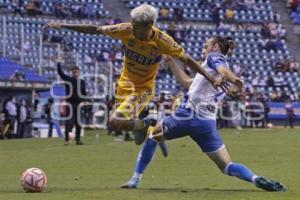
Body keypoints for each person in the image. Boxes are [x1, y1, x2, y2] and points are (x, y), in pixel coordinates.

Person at [43, 4, 226, 147]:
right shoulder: (126, 30)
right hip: (124, 85)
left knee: (116, 120)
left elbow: (188, 60)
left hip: (143, 89)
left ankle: (144, 124)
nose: (132, 27)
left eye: (136, 25)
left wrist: (211, 78)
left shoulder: (162, 41)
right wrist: (64, 25)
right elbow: (96, 29)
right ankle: (144, 124)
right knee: (114, 125)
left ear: (148, 25)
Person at [121, 37, 287, 192]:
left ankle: (135, 179)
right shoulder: (210, 72)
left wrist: (236, 79)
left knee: (152, 136)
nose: (203, 49)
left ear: (214, 47)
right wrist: (171, 62)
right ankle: (255, 179)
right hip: (206, 124)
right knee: (226, 166)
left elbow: (224, 70)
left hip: (187, 116)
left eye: (205, 46)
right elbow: (187, 82)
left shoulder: (215, 57)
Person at [56, 61, 87, 145]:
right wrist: (58, 63)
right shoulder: (68, 80)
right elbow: (60, 73)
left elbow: (84, 93)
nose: (75, 73)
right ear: (72, 72)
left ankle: (78, 139)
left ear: (79, 72)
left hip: (79, 105)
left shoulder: (82, 82)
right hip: (70, 104)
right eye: (74, 72)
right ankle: (67, 140)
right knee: (69, 122)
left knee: (78, 123)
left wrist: (84, 102)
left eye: (76, 72)